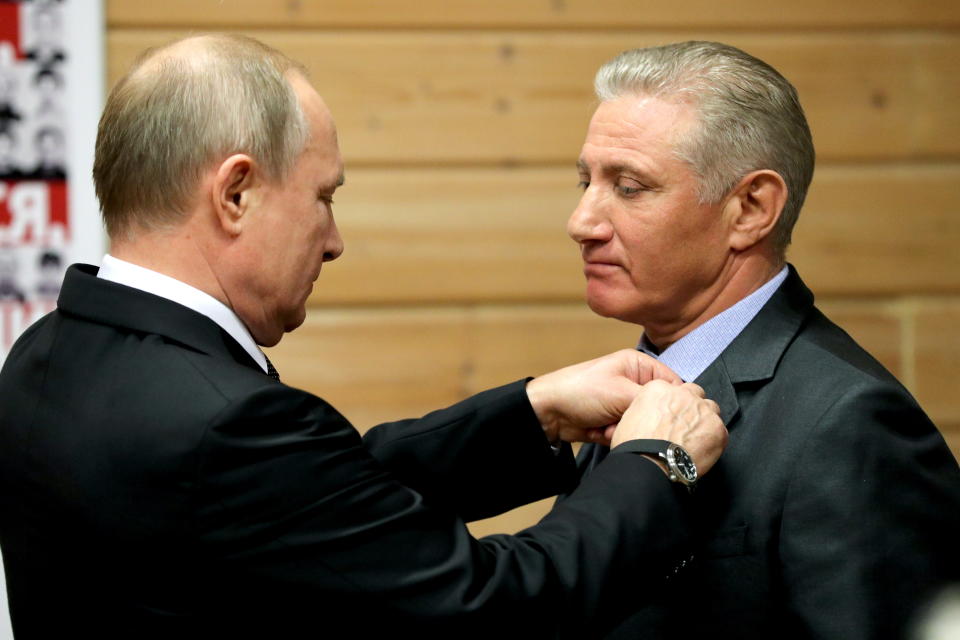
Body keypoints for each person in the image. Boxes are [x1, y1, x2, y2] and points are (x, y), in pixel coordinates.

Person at [0, 34, 728, 638]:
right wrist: (657, 463)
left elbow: (317, 498)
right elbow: (497, 607)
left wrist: (532, 412)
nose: (334, 240)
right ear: (235, 193)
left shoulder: (48, 352)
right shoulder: (228, 425)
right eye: (323, 198)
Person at [565, 41, 960, 639]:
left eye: (629, 186)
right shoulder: (633, 381)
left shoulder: (851, 422)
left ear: (750, 208)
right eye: (585, 181)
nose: (582, 223)